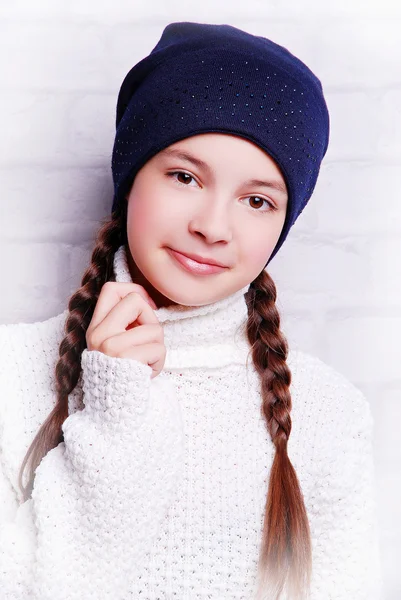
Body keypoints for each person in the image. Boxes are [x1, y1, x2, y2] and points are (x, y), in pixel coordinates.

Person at [0, 21, 383, 600]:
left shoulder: (328, 413)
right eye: (184, 176)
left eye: (257, 200)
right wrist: (116, 410)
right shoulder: (11, 376)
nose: (212, 226)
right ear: (131, 180)